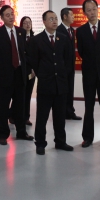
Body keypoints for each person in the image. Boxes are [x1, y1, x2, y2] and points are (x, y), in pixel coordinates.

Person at [29, 11, 74, 155]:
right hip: (45, 83)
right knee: (42, 116)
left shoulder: (63, 38)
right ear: (44, 22)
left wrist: (63, 74)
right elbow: (34, 61)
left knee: (60, 116)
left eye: (55, 18)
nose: (54, 21)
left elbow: (68, 59)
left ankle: (60, 141)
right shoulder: (37, 40)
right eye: (50, 19)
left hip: (61, 83)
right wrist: (43, 74)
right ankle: (40, 143)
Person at [0, 5, 34, 145]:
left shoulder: (21, 32)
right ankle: (3, 134)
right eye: (7, 15)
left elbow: (26, 52)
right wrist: (2, 65)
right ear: (2, 18)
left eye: (12, 14)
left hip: (20, 73)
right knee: (3, 106)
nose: (10, 17)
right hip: (5, 75)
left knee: (20, 105)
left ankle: (21, 132)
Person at [76, 0, 100, 148]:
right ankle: (87, 137)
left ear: (98, 9)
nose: (92, 12)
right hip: (89, 74)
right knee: (89, 106)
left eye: (94, 9)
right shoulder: (81, 31)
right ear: (84, 13)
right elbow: (81, 51)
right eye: (89, 10)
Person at [56, 7, 81, 120]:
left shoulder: (72, 30)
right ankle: (62, 112)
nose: (73, 17)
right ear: (65, 16)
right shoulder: (59, 30)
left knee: (70, 89)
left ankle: (70, 111)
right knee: (63, 90)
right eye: (71, 15)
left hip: (71, 66)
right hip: (63, 66)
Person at [19, 16, 36, 126]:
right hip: (22, 70)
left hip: (32, 71)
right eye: (25, 23)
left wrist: (35, 68)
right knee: (20, 95)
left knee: (28, 94)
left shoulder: (35, 38)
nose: (28, 24)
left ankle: (26, 117)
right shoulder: (19, 37)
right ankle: (15, 115)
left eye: (29, 22)